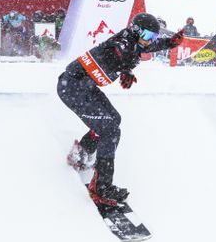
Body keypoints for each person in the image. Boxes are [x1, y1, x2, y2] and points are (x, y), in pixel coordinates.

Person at [61, 13, 184, 205]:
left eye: (152, 37)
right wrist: (126, 69)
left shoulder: (133, 41)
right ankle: (101, 188)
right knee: (109, 130)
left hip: (85, 86)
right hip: (73, 88)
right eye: (148, 36)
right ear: (136, 31)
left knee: (114, 119)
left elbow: (145, 47)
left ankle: (81, 153)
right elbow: (121, 52)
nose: (149, 41)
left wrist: (169, 43)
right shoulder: (124, 42)